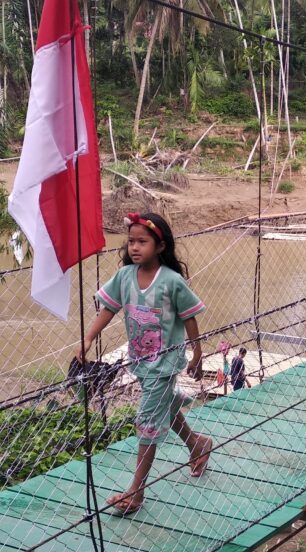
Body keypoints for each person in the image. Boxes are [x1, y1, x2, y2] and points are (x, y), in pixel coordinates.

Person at [78, 212, 212, 516]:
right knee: (166, 406)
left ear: (160, 246)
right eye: (131, 242)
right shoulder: (125, 277)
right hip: (141, 360)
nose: (135, 248)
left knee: (148, 422)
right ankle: (197, 443)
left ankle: (135, 492)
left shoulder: (171, 281)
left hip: (165, 364)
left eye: (143, 242)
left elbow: (189, 317)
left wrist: (198, 354)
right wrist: (87, 339)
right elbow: (108, 309)